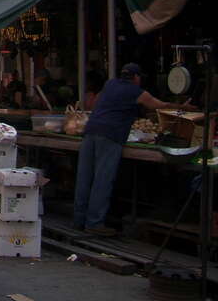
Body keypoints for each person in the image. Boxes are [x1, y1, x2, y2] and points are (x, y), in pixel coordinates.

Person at [73, 63, 195, 236]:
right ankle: (94, 223)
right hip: (110, 135)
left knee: (84, 177)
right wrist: (183, 107)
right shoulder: (135, 91)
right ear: (136, 78)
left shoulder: (110, 84)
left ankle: (78, 220)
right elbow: (158, 105)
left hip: (91, 131)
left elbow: (96, 102)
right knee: (102, 179)